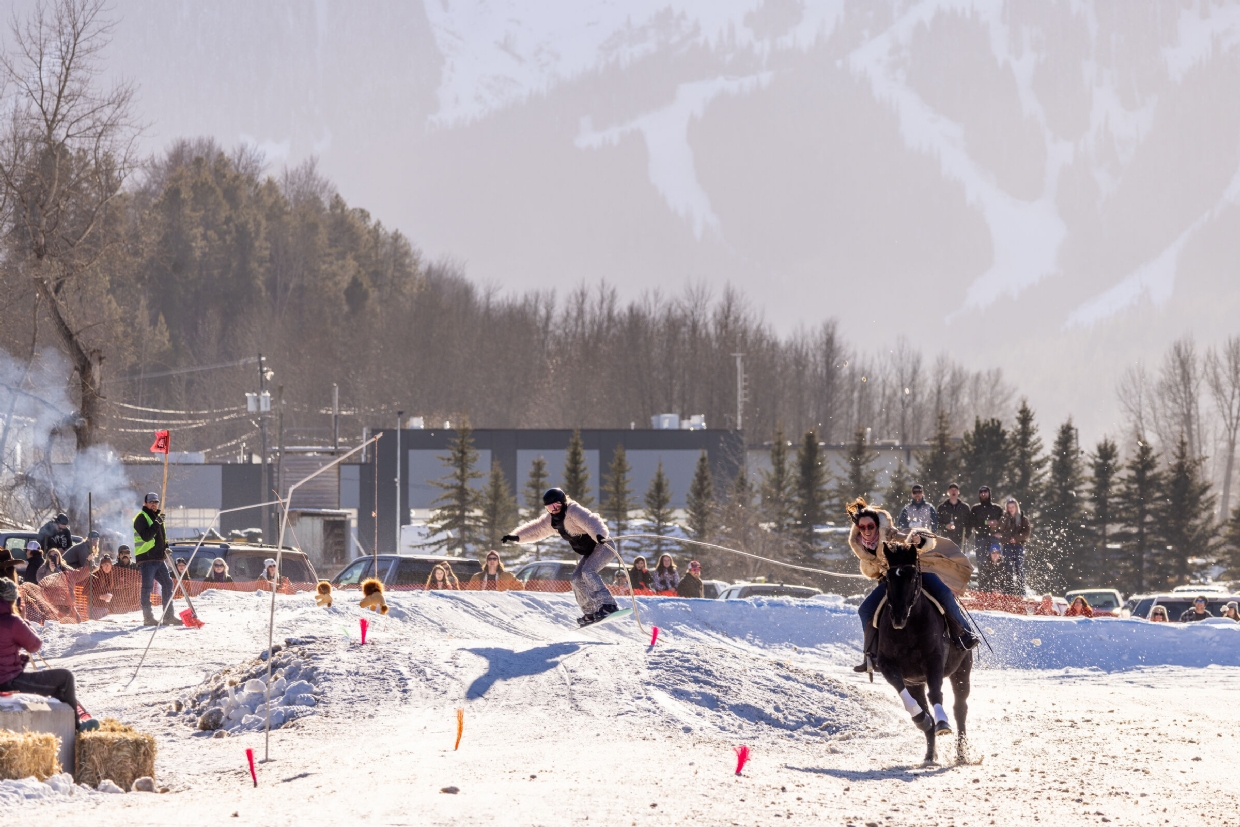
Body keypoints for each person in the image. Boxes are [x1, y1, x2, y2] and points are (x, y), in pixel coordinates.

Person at [847, 497, 979, 673]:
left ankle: (964, 633)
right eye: (862, 527)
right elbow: (873, 568)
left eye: (870, 526)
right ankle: (871, 655)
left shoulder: (890, 534)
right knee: (864, 610)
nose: (866, 531)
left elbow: (911, 537)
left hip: (918, 571)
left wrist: (917, 539)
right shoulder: (860, 546)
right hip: (892, 580)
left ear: (877, 525)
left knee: (944, 593)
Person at [501, 487, 619, 626]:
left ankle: (608, 605)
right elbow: (536, 529)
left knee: (588, 571)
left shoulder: (573, 510)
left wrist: (600, 535)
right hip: (591, 551)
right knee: (576, 578)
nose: (554, 509)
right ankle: (591, 612)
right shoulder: (551, 521)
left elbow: (591, 521)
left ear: (563, 501)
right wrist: (516, 537)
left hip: (603, 546)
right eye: (550, 507)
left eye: (556, 505)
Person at [0, 578, 98, 731]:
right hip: (7, 681)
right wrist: (22, 619)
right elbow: (34, 645)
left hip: (6, 678)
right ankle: (75, 728)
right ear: (12, 600)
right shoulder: (11, 621)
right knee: (64, 679)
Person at [133, 492, 181, 627]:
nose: (154, 504)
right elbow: (147, 537)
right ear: (145, 503)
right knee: (147, 588)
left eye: (156, 502)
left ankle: (168, 616)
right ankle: (148, 618)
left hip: (158, 558)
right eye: (151, 502)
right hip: (147, 558)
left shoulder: (158, 518)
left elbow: (161, 538)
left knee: (168, 584)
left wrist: (165, 548)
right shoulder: (141, 518)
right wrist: (157, 523)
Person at [997, 497, 1031, 594]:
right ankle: (1009, 590)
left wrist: (1016, 538)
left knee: (1018, 567)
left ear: (1016, 507)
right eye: (1009, 507)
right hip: (1007, 545)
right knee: (1008, 567)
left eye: (1013, 507)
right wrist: (1006, 517)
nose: (1011, 509)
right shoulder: (1004, 518)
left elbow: (1026, 533)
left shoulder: (1023, 518)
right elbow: (1000, 531)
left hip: (1019, 545)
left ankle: (1021, 590)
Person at [968, 487, 1003, 562]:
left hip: (994, 538)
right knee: (981, 561)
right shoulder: (975, 509)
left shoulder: (997, 508)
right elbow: (972, 523)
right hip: (980, 537)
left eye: (985, 491)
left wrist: (1000, 532)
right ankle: (981, 574)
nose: (983, 493)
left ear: (989, 493)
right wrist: (986, 522)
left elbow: (1003, 523)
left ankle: (996, 574)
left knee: (996, 561)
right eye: (981, 492)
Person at [937, 484, 971, 548]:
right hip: (946, 539)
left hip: (961, 539)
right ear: (948, 492)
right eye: (951, 490)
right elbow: (937, 523)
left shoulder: (965, 507)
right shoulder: (942, 507)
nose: (953, 492)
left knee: (960, 558)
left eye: (955, 490)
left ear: (958, 492)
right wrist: (945, 526)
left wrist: (967, 536)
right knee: (946, 558)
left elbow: (969, 523)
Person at [87, 555, 117, 620]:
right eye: (105, 564)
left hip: (105, 607)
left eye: (109, 564)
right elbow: (86, 592)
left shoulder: (111, 576)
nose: (107, 566)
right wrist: (100, 596)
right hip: (94, 607)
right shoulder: (95, 575)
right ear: (101, 565)